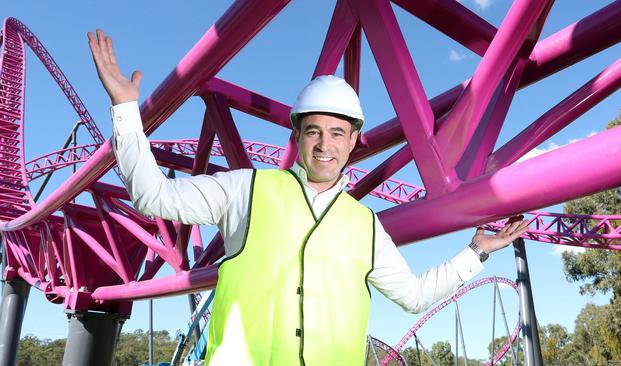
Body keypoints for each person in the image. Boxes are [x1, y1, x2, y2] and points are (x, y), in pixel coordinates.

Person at [88, 29, 529, 366]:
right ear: (296, 136)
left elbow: (413, 295)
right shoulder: (246, 188)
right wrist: (126, 109)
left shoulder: (365, 224)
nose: (324, 144)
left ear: (354, 140)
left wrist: (476, 251)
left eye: (337, 133)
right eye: (313, 131)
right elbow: (152, 196)